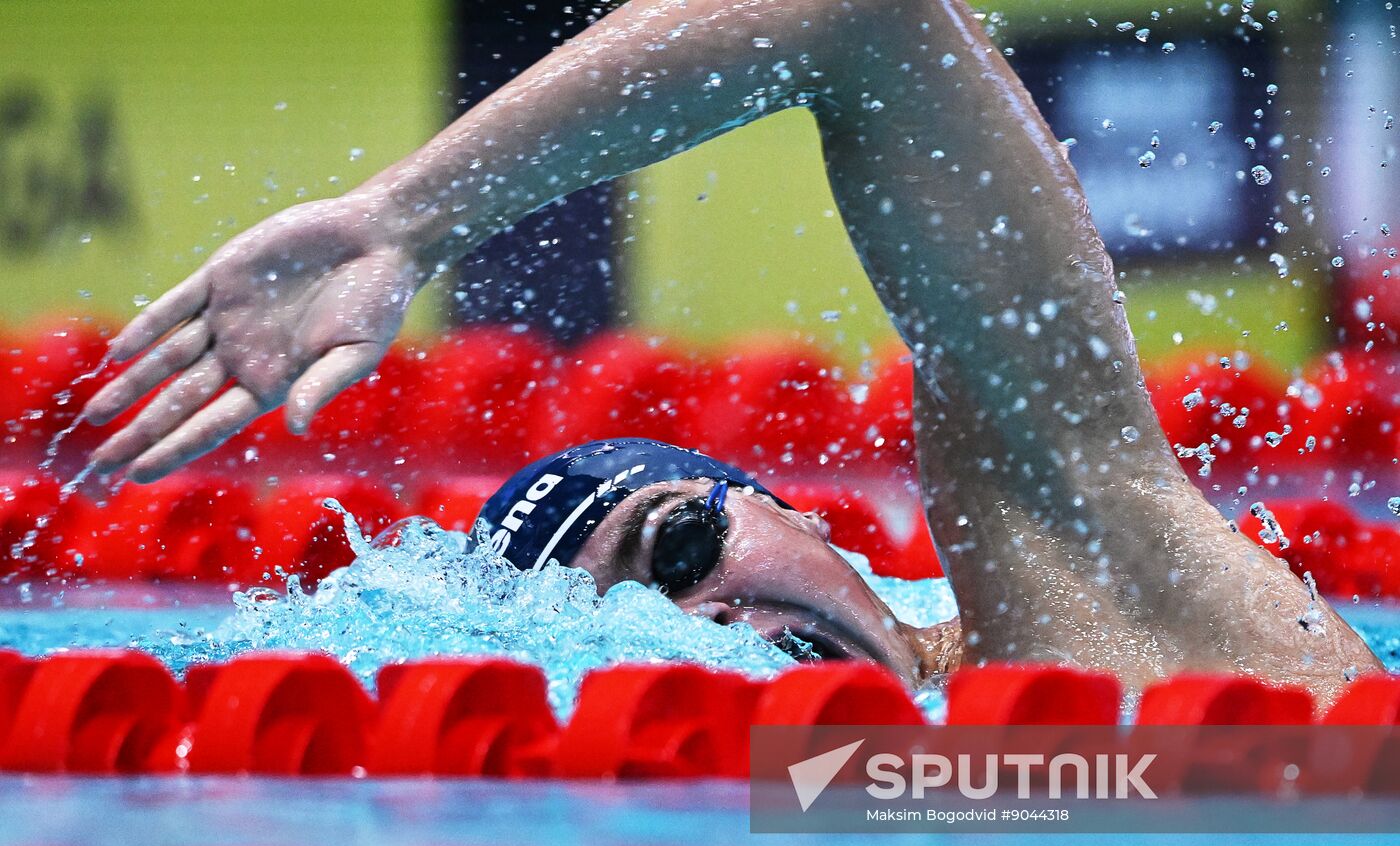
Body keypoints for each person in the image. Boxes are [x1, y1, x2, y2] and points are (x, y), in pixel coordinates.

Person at [79, 0, 1380, 701]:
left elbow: (862, 16)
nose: (704, 621)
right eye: (641, 629)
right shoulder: (800, 809)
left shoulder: (1080, 570)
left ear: (805, 519)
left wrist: (402, 220)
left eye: (679, 546)